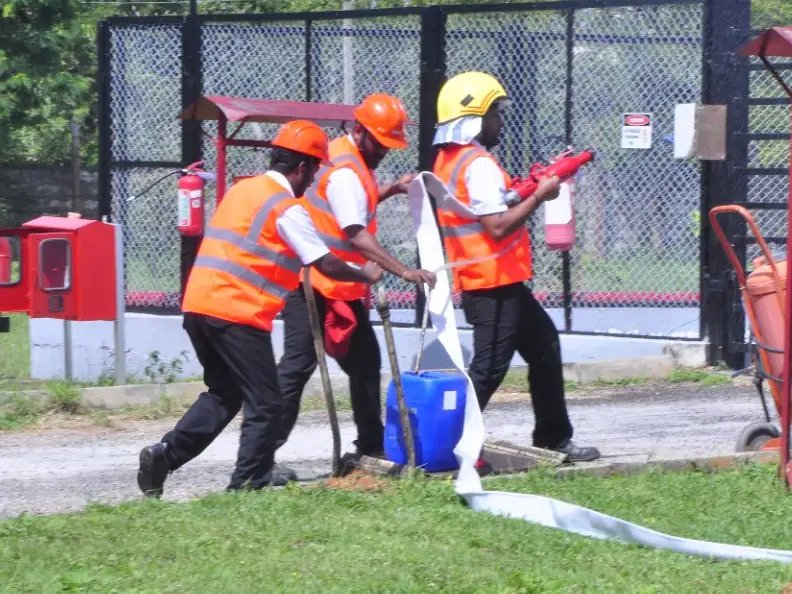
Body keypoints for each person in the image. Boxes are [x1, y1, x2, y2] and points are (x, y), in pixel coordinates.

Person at [137, 120, 384, 497]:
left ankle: (165, 455)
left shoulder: (243, 190)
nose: (314, 178)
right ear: (301, 167)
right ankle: (247, 483)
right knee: (266, 402)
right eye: (315, 169)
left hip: (199, 306)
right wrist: (363, 272)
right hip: (236, 312)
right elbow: (324, 263)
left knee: (225, 392)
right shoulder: (286, 207)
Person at [431, 71, 599, 463]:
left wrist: (525, 190)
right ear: (476, 118)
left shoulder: (448, 160)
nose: (500, 122)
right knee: (488, 369)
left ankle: (553, 437)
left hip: (493, 281)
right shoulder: (479, 164)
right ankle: (446, 446)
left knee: (544, 345)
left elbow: (487, 210)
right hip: (493, 285)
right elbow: (498, 226)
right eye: (496, 114)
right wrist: (540, 195)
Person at [273, 94, 436, 478]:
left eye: (389, 145)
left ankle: (370, 447)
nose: (384, 152)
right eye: (380, 143)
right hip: (314, 283)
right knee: (297, 367)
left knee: (365, 363)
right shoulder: (345, 168)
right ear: (360, 130)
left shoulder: (350, 159)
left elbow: (352, 206)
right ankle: (259, 455)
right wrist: (403, 271)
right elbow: (356, 232)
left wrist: (391, 189)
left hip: (339, 284)